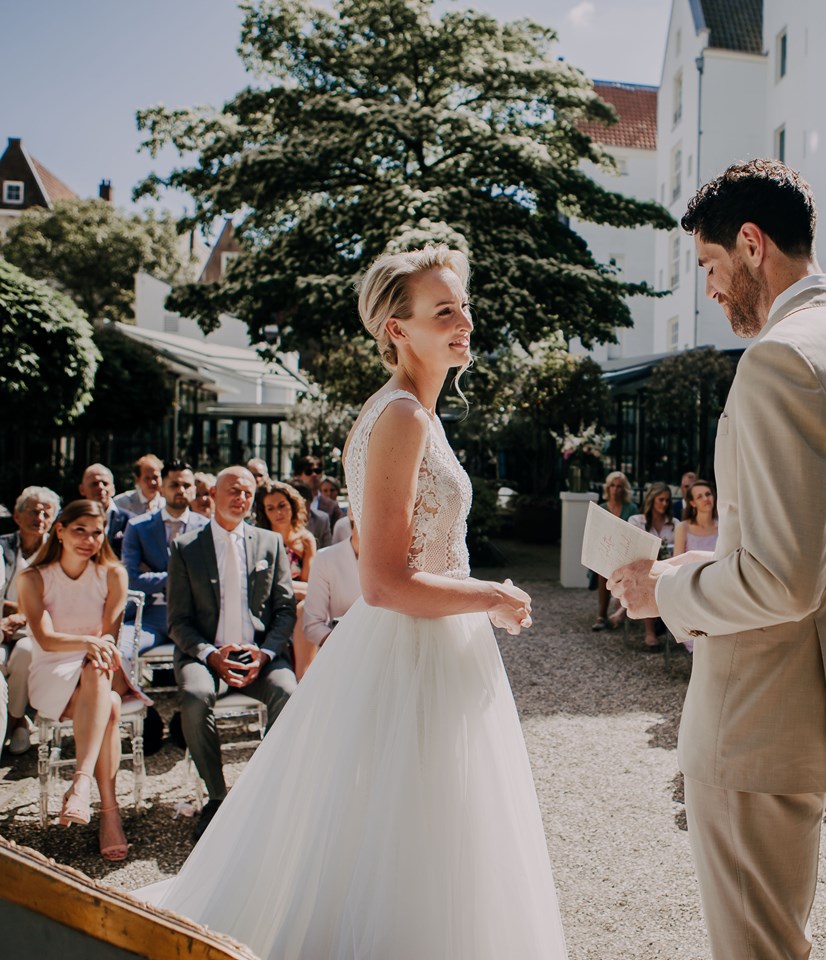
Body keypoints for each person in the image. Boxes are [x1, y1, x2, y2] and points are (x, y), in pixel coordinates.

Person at [140, 245, 566, 960]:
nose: (463, 321)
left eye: (462, 306)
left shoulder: (411, 413)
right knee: (419, 822)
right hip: (415, 640)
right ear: (397, 330)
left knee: (421, 826)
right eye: (442, 311)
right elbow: (383, 581)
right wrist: (490, 593)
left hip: (431, 638)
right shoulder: (400, 416)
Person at [611, 160, 826, 960]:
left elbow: (783, 579)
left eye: (713, 267)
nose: (712, 290)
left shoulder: (783, 358)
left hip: (758, 717)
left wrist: (667, 586)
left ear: (751, 245)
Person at [165, 466, 297, 841]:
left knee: (288, 692)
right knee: (194, 696)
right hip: (205, 654)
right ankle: (217, 796)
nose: (241, 499)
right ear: (213, 496)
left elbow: (286, 610)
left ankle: (259, 790)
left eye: (247, 494)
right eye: (234, 491)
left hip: (259, 655)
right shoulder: (186, 548)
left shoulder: (269, 543)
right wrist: (210, 655)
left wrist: (266, 654)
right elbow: (178, 621)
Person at [15, 499, 151, 860]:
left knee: (98, 669)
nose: (89, 539)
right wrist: (90, 642)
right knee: (110, 707)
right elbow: (44, 639)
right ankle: (109, 812)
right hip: (52, 671)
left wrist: (95, 645)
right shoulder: (32, 577)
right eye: (79, 530)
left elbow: (110, 636)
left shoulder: (112, 573)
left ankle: (79, 784)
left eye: (97, 532)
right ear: (59, 530)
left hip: (100, 667)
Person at [122, 461, 208, 648]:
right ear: (161, 488)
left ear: (194, 488)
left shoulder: (207, 529)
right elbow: (132, 580)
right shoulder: (138, 527)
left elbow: (210, 579)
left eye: (186, 485)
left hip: (196, 619)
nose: (181, 490)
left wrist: (155, 576)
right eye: (174, 485)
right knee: (119, 652)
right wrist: (183, 576)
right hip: (151, 616)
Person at [1, 486, 60, 756]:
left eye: (46, 512)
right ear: (17, 516)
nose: (39, 516)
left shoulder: (57, 552)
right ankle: (18, 723)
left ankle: (13, 722)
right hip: (2, 624)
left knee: (25, 653)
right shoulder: (3, 547)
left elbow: (56, 600)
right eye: (33, 511)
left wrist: (22, 614)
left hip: (36, 629)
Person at [255, 481, 318, 680]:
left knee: (307, 606)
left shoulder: (306, 540)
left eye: (282, 505)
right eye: (270, 508)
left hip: (299, 599)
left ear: (292, 505)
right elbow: (263, 583)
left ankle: (304, 678)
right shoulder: (260, 539)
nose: (278, 513)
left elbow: (310, 583)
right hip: (270, 601)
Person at [628, 482, 678, 652]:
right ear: (651, 500)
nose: (665, 504)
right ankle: (650, 632)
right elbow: (633, 549)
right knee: (647, 580)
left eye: (667, 500)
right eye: (661, 500)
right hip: (643, 569)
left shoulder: (675, 524)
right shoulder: (636, 521)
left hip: (669, 568)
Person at [302, 515, 362, 651]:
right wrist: (347, 647)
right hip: (343, 650)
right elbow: (313, 625)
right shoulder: (326, 558)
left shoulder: (400, 558)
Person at [672, 479, 718, 655]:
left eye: (708, 494)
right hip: (691, 585)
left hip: (718, 584)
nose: (706, 498)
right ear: (692, 502)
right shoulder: (683, 527)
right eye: (700, 496)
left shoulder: (723, 525)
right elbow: (677, 561)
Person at [591, 470, 637, 632]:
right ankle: (602, 614)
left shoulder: (631, 509)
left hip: (626, 554)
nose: (616, 489)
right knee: (603, 570)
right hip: (606, 552)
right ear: (607, 488)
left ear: (624, 489)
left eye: (619, 486)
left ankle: (622, 610)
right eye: (612, 486)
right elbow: (595, 533)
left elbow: (634, 534)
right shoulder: (602, 508)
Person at [79, 463, 134, 554]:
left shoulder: (131, 521)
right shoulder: (71, 519)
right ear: (82, 489)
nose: (100, 487)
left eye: (105, 483)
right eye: (94, 484)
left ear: (113, 489)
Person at [293, 454, 345, 528]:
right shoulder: (288, 502)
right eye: (308, 471)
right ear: (297, 476)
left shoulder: (332, 506)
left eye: (318, 471)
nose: (314, 475)